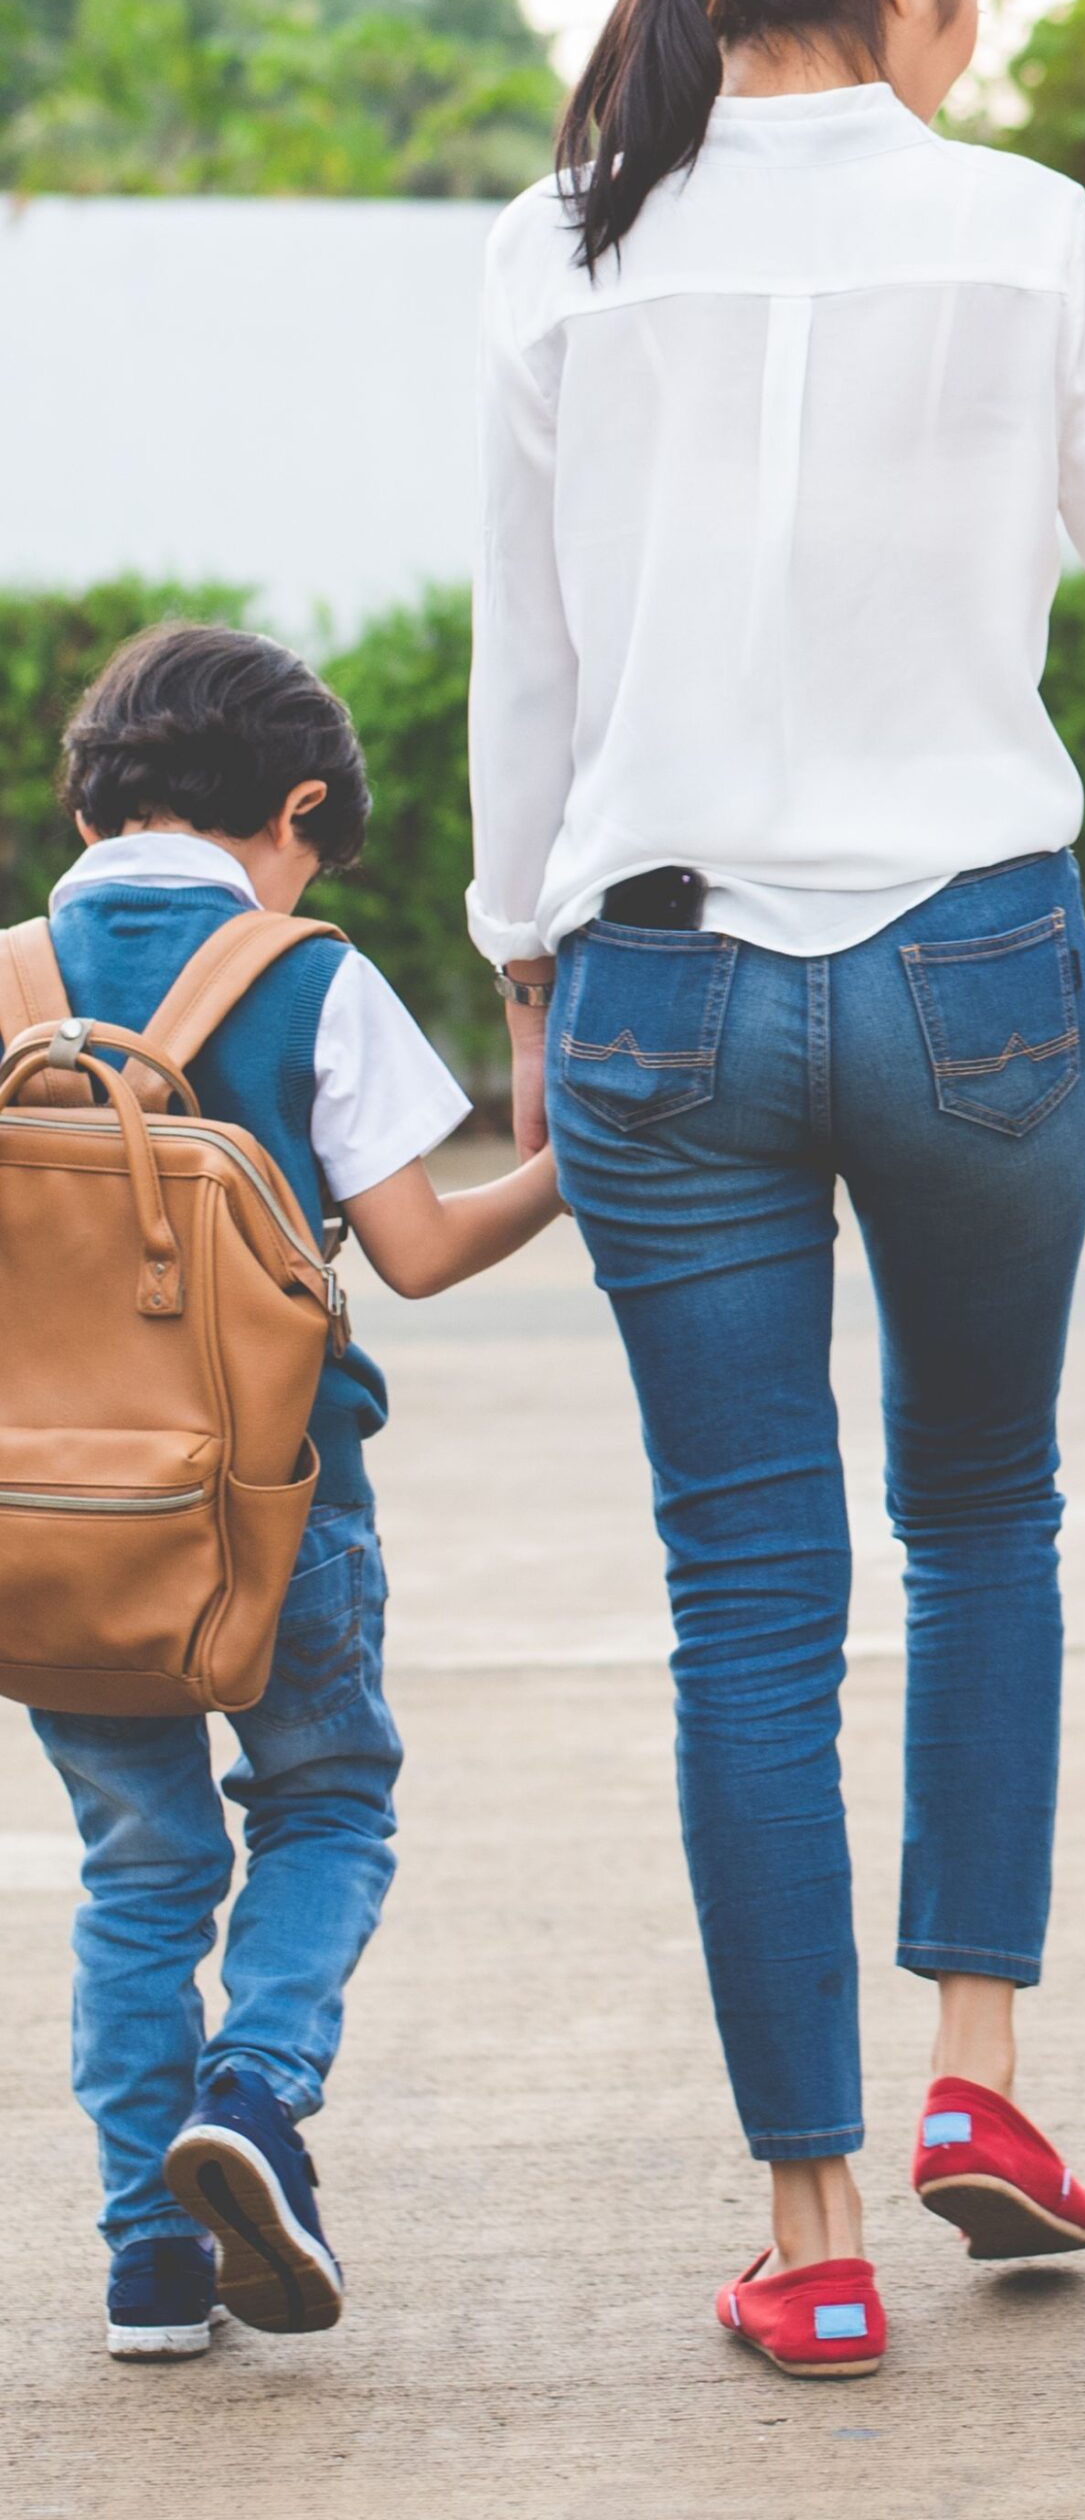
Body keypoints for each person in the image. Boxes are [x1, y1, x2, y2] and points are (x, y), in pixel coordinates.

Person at [467, 0, 1085, 2378]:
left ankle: (808, 2231)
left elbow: (535, 660)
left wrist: (521, 955)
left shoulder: (564, 240)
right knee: (985, 1508)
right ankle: (977, 2081)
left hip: (665, 983)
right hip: (977, 976)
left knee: (744, 1593)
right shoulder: (1027, 233)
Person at [32, 624, 563, 2361]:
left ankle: (149, 2273)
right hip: (277, 1504)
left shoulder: (12, 978)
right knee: (327, 1804)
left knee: (138, 1869)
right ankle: (255, 2098)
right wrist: (561, 1156)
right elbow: (417, 1252)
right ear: (298, 811)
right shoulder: (310, 974)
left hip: (46, 1530)